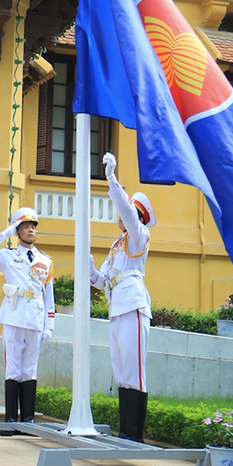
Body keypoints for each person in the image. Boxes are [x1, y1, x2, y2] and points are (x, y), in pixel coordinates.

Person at [89, 152, 153, 443]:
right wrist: (89, 268)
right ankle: (125, 432)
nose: (121, 215)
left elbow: (127, 211)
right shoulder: (117, 245)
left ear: (137, 217)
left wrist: (112, 179)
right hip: (117, 307)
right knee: (121, 372)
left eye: (128, 212)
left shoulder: (140, 235)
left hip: (134, 306)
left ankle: (135, 435)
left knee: (134, 370)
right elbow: (102, 281)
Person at [0, 206, 55, 434]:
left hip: (35, 317)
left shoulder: (45, 260)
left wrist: (49, 325)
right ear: (17, 230)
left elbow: (49, 297)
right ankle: (11, 420)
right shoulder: (8, 255)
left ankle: (28, 420)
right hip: (14, 315)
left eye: (33, 226)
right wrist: (6, 232)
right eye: (25, 227)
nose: (31, 230)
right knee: (13, 368)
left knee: (30, 369)